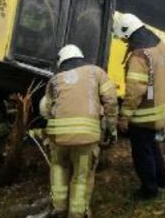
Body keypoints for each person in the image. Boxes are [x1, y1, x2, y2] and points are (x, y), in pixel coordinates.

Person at [40, 44, 118, 218]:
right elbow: (111, 101)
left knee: (58, 167)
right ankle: (76, 213)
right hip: (86, 138)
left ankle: (58, 208)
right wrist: (111, 128)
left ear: (62, 61)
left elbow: (45, 109)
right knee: (81, 176)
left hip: (58, 138)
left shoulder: (55, 79)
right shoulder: (97, 73)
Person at [113, 13, 165, 200]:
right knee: (152, 145)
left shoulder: (139, 56)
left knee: (142, 153)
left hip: (144, 116)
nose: (125, 42)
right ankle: (163, 179)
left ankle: (149, 189)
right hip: (161, 111)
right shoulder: (160, 45)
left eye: (124, 38)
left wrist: (123, 118)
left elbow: (134, 92)